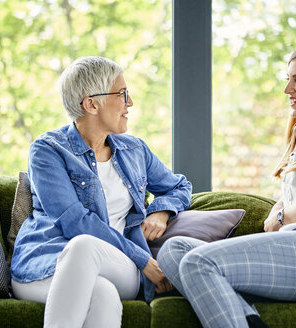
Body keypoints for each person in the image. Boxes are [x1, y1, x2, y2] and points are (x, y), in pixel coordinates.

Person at [157, 43, 296, 328]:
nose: (287, 89)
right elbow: (294, 197)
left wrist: (281, 216)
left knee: (197, 262)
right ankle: (249, 321)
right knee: (173, 251)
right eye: (288, 79)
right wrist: (281, 208)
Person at [10, 56, 191, 328]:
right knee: (102, 293)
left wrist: (161, 212)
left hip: (119, 263)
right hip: (44, 266)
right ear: (91, 103)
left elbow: (180, 186)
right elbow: (75, 222)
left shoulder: (134, 150)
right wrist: (145, 260)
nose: (129, 103)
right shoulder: (48, 150)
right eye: (122, 94)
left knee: (86, 248)